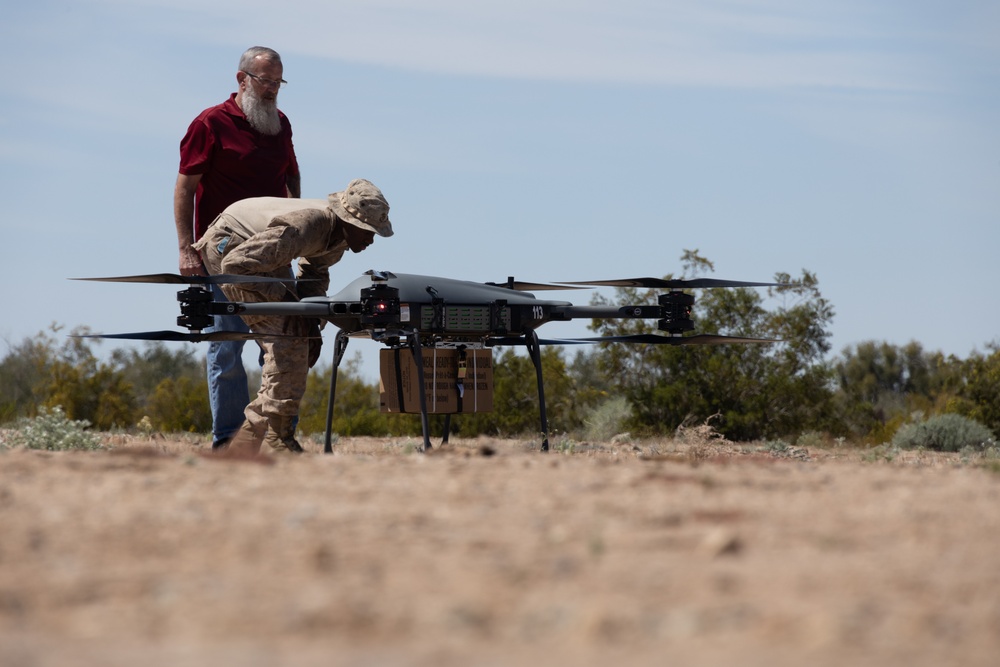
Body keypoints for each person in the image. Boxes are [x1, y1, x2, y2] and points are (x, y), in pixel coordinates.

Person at [194, 179, 393, 455]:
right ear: (352, 222)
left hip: (259, 256)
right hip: (230, 245)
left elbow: (314, 274)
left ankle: (258, 439)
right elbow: (236, 264)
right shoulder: (307, 226)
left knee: (301, 336)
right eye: (369, 231)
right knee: (287, 338)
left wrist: (312, 322)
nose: (371, 239)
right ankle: (273, 437)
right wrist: (290, 307)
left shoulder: (338, 237)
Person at [173, 46, 300, 450]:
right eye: (266, 81)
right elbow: (184, 189)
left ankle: (277, 436)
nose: (272, 90)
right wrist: (185, 249)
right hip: (221, 255)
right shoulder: (210, 123)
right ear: (242, 79)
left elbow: (292, 179)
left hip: (274, 255)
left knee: (284, 346)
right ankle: (229, 441)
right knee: (226, 346)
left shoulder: (281, 124)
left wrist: (297, 232)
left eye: (278, 82)